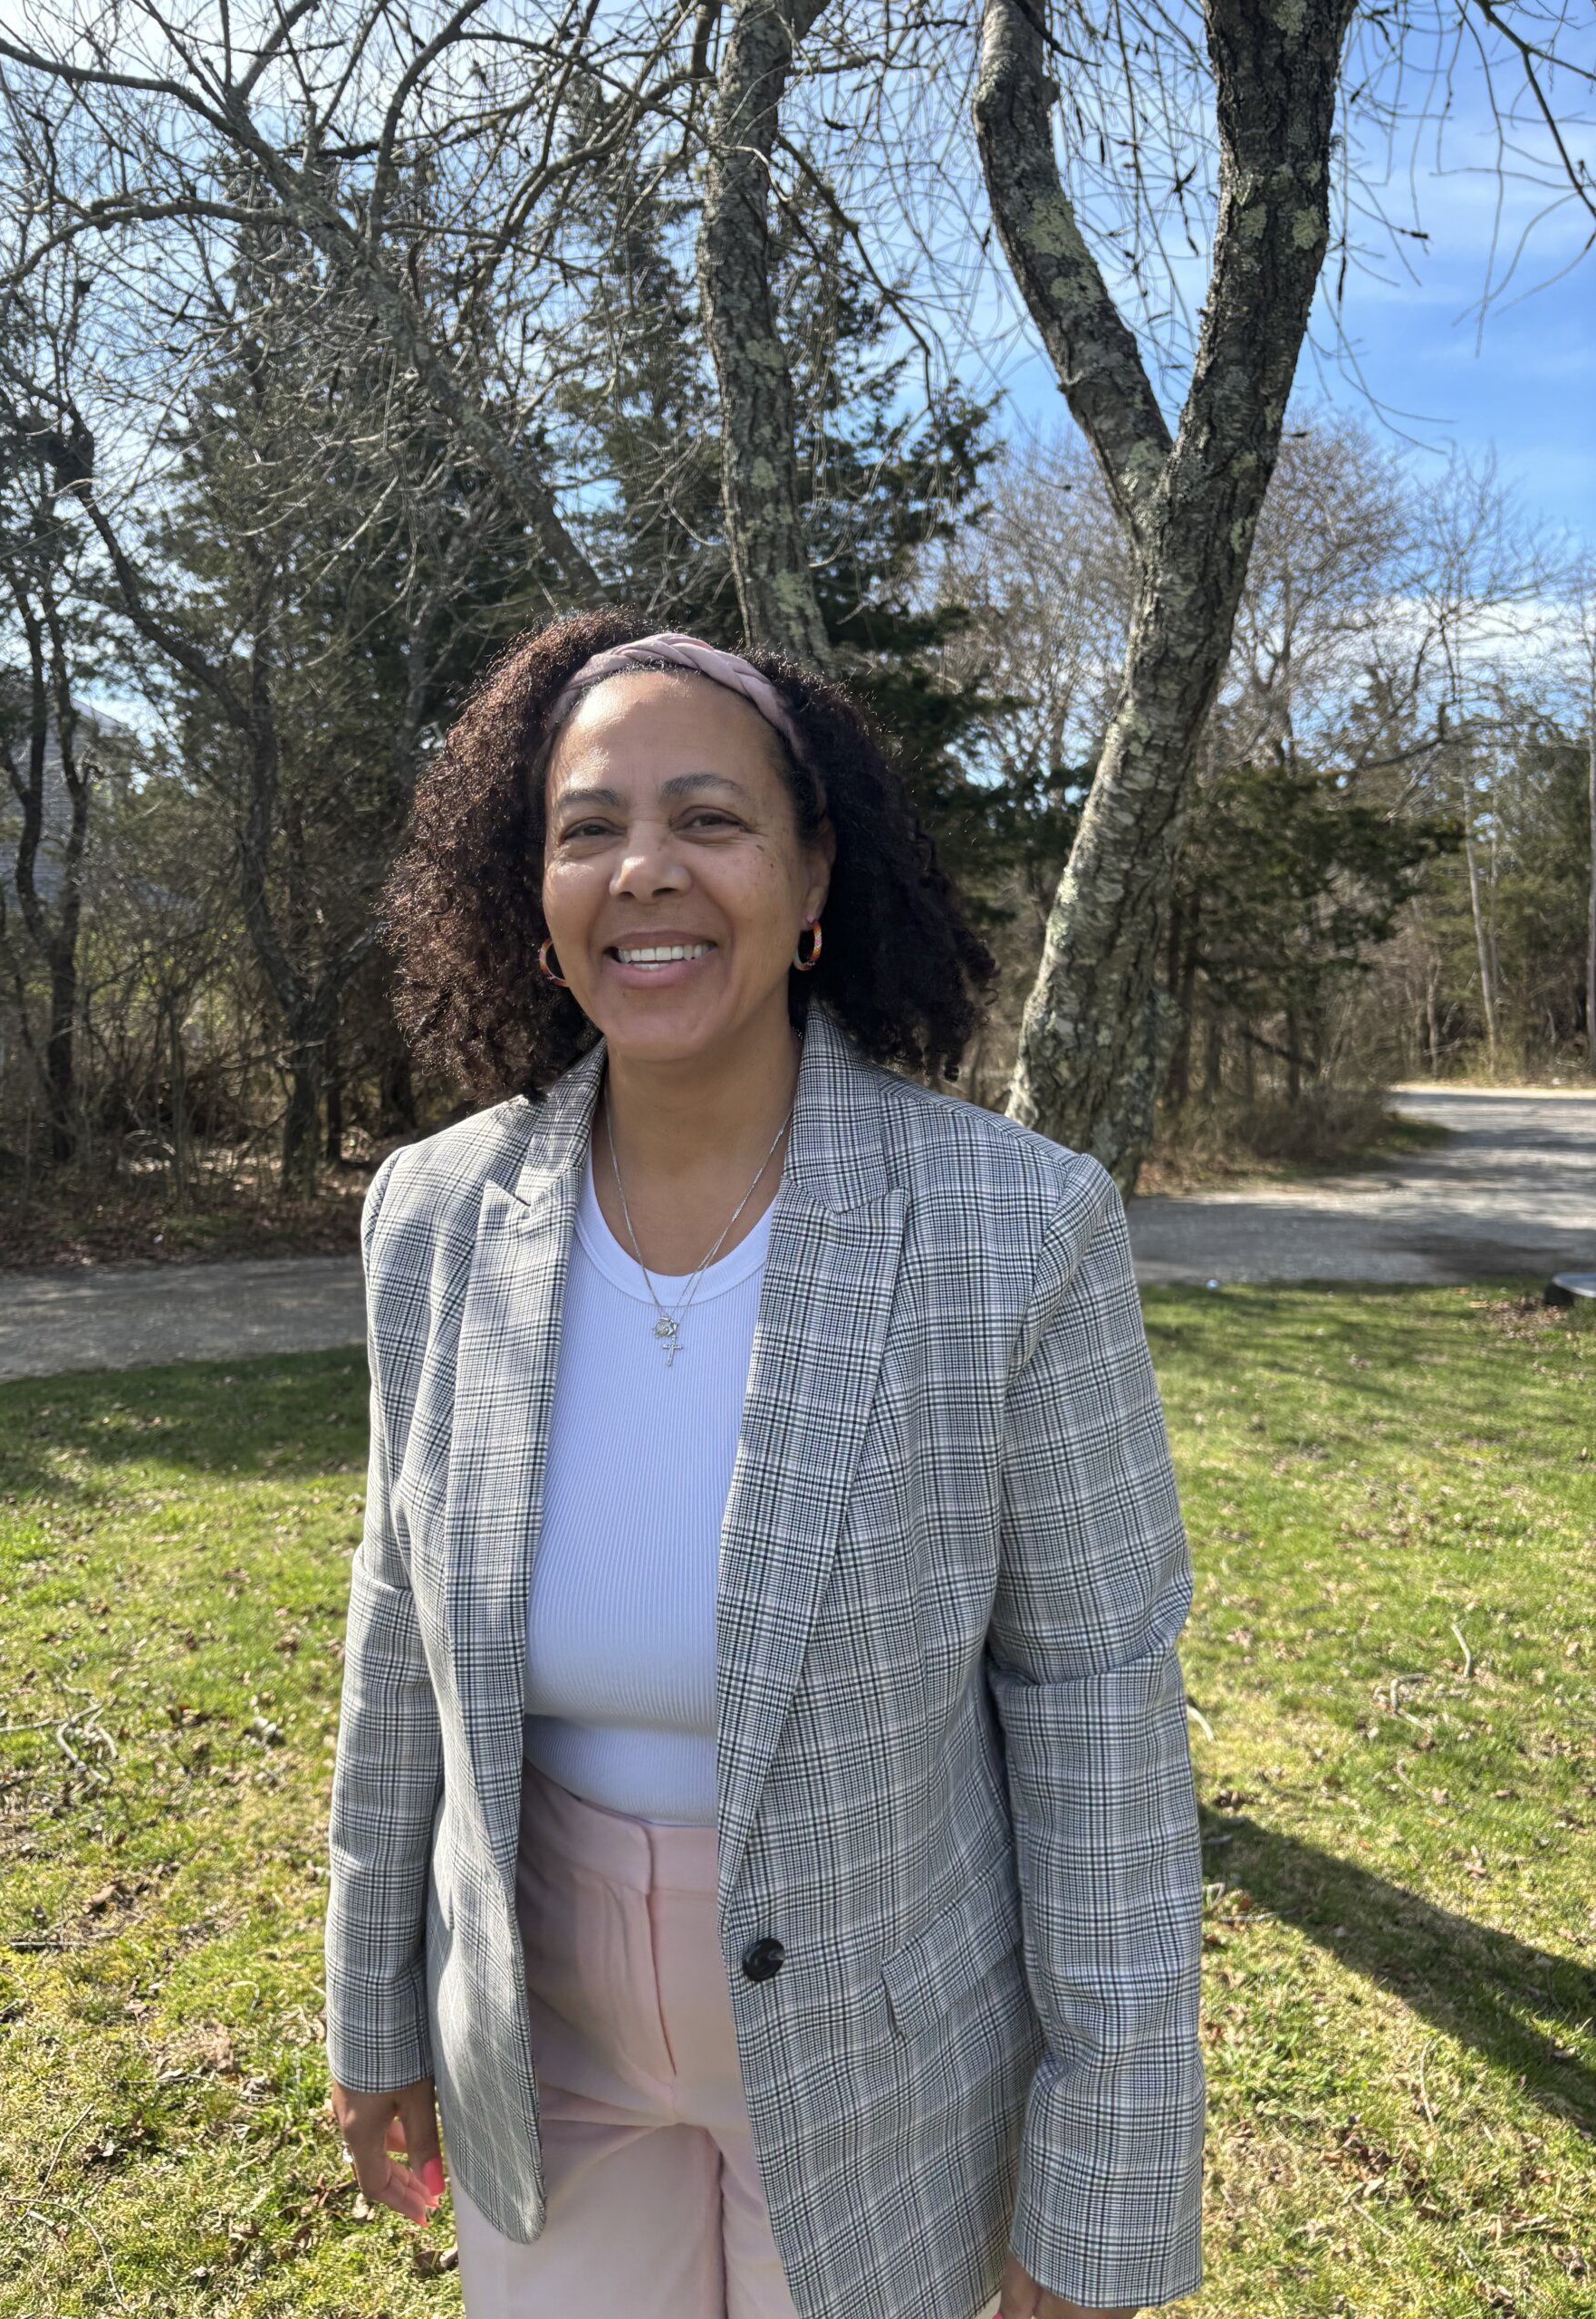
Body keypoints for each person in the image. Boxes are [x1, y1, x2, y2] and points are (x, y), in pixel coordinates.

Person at [323, 612, 1204, 2319]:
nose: (644, 868)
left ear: (814, 885)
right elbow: (394, 1638)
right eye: (588, 827)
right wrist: (375, 2015)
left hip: (889, 2091)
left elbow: (1101, 1713)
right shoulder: (432, 1216)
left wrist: (1103, 2183)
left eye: (710, 819)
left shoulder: (1016, 1227)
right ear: (535, 902)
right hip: (545, 2064)